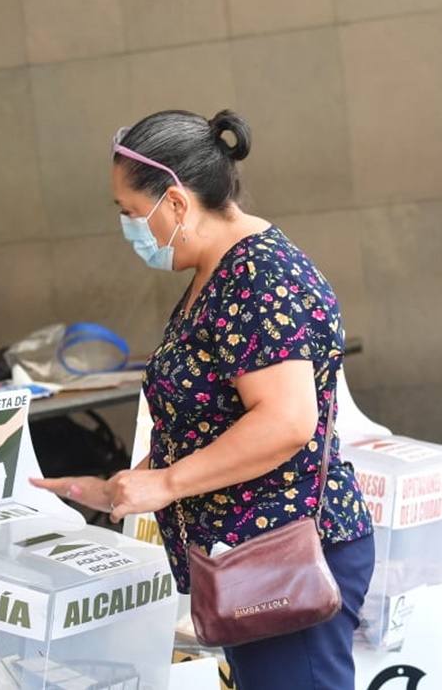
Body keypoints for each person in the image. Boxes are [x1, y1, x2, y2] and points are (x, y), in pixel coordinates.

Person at [32, 109, 374, 690]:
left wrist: (165, 484)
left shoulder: (260, 275)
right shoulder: (215, 272)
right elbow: (211, 421)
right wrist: (125, 486)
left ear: (175, 203)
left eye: (130, 213)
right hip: (243, 557)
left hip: (281, 552)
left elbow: (287, 421)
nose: (128, 229)